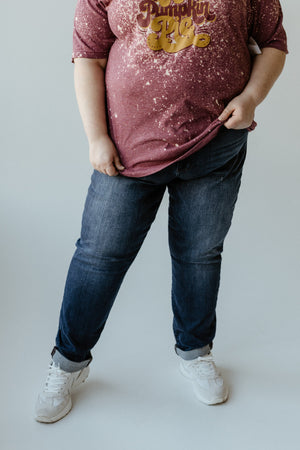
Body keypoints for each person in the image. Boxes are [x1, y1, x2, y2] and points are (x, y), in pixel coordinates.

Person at [34, 0, 288, 423]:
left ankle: (194, 352)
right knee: (99, 257)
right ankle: (68, 363)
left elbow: (274, 43)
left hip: (215, 145)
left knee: (200, 254)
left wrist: (251, 98)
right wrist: (96, 137)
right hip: (127, 153)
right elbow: (89, 58)